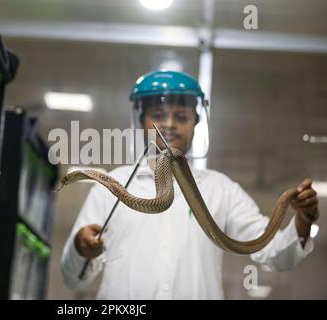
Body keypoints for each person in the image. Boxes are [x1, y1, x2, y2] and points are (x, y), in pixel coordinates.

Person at [60, 70, 319, 299]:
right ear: (141, 121)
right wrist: (80, 248)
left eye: (181, 116)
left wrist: (302, 220)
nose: (169, 124)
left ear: (195, 123)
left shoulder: (221, 189)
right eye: (158, 115)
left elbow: (275, 254)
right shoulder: (109, 188)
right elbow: (74, 278)